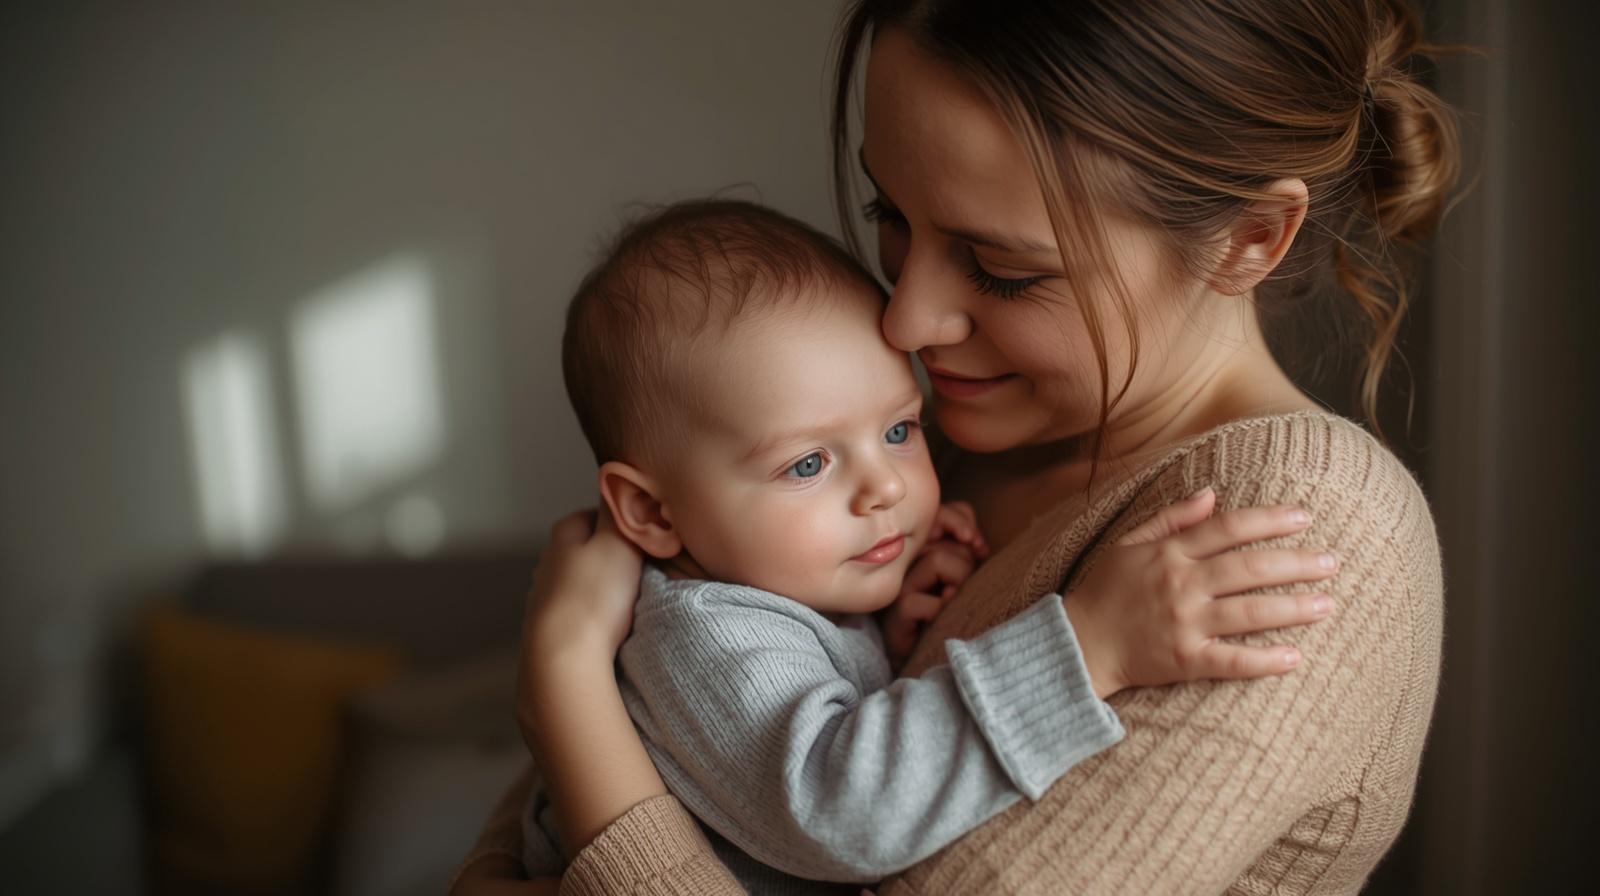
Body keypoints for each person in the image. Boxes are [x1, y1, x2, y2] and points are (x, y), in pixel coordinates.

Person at [455, 0, 1457, 892]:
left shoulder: (1300, 533)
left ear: (1250, 236)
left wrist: (561, 683)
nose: (906, 322)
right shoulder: (914, 461)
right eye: (890, 215)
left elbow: (602, 772)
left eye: (998, 267)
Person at [512, 199, 1334, 894]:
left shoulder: (780, 590)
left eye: (901, 428)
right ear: (652, 514)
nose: (888, 488)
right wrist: (1085, 649)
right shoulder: (703, 634)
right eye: (807, 463)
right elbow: (839, 806)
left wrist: (891, 646)